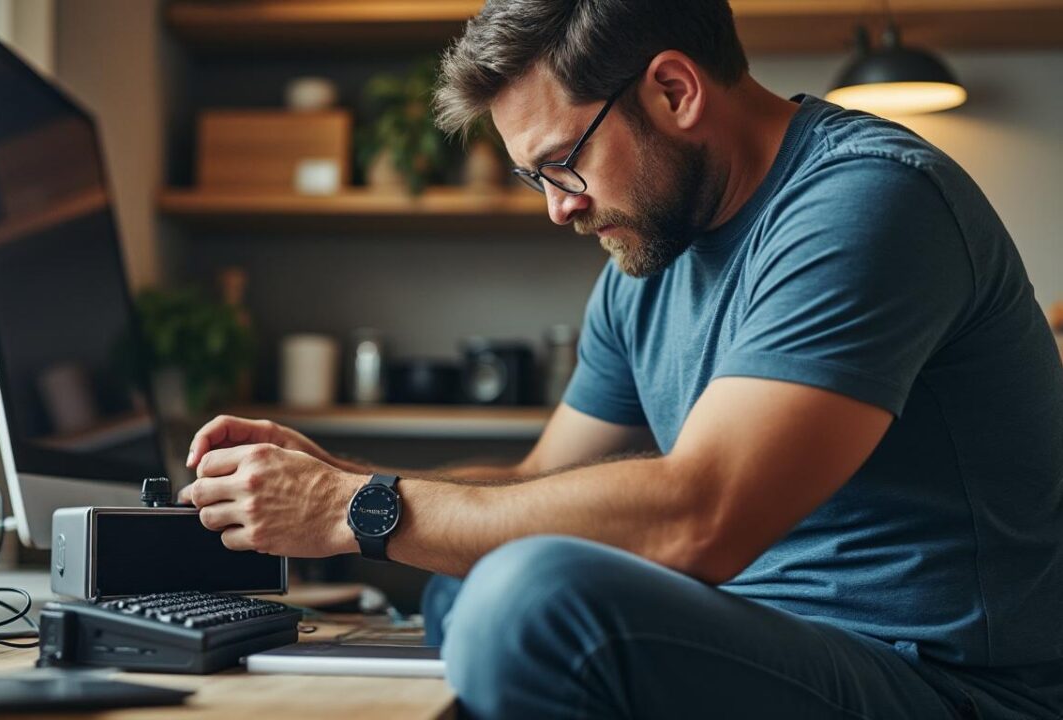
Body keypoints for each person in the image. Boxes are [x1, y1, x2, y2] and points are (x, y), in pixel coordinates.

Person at [178, 1, 1063, 716]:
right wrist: (340, 477)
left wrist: (361, 512)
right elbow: (536, 484)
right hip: (767, 641)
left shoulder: (867, 202)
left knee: (528, 597)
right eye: (538, 179)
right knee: (470, 584)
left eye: (563, 164)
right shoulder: (649, 257)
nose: (558, 209)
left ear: (675, 89)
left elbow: (700, 517)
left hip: (945, 685)